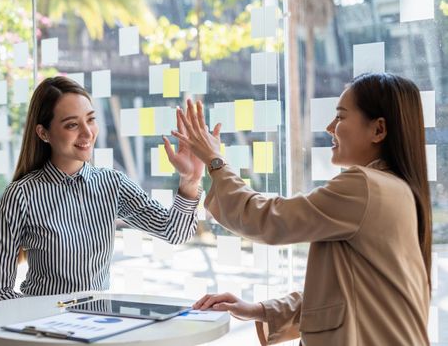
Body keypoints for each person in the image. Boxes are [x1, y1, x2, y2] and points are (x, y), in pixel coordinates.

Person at [172, 73, 431, 345]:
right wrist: (258, 310)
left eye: (341, 117)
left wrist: (215, 163)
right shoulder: (396, 189)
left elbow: (268, 220)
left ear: (378, 130)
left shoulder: (365, 187)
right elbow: (344, 297)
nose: (330, 127)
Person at [0, 76, 203, 303]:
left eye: (91, 119)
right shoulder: (21, 196)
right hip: (45, 331)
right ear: (43, 133)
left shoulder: (112, 185)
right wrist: (42, 322)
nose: (88, 133)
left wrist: (190, 180)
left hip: (97, 323)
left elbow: (174, 232)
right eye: (72, 125)